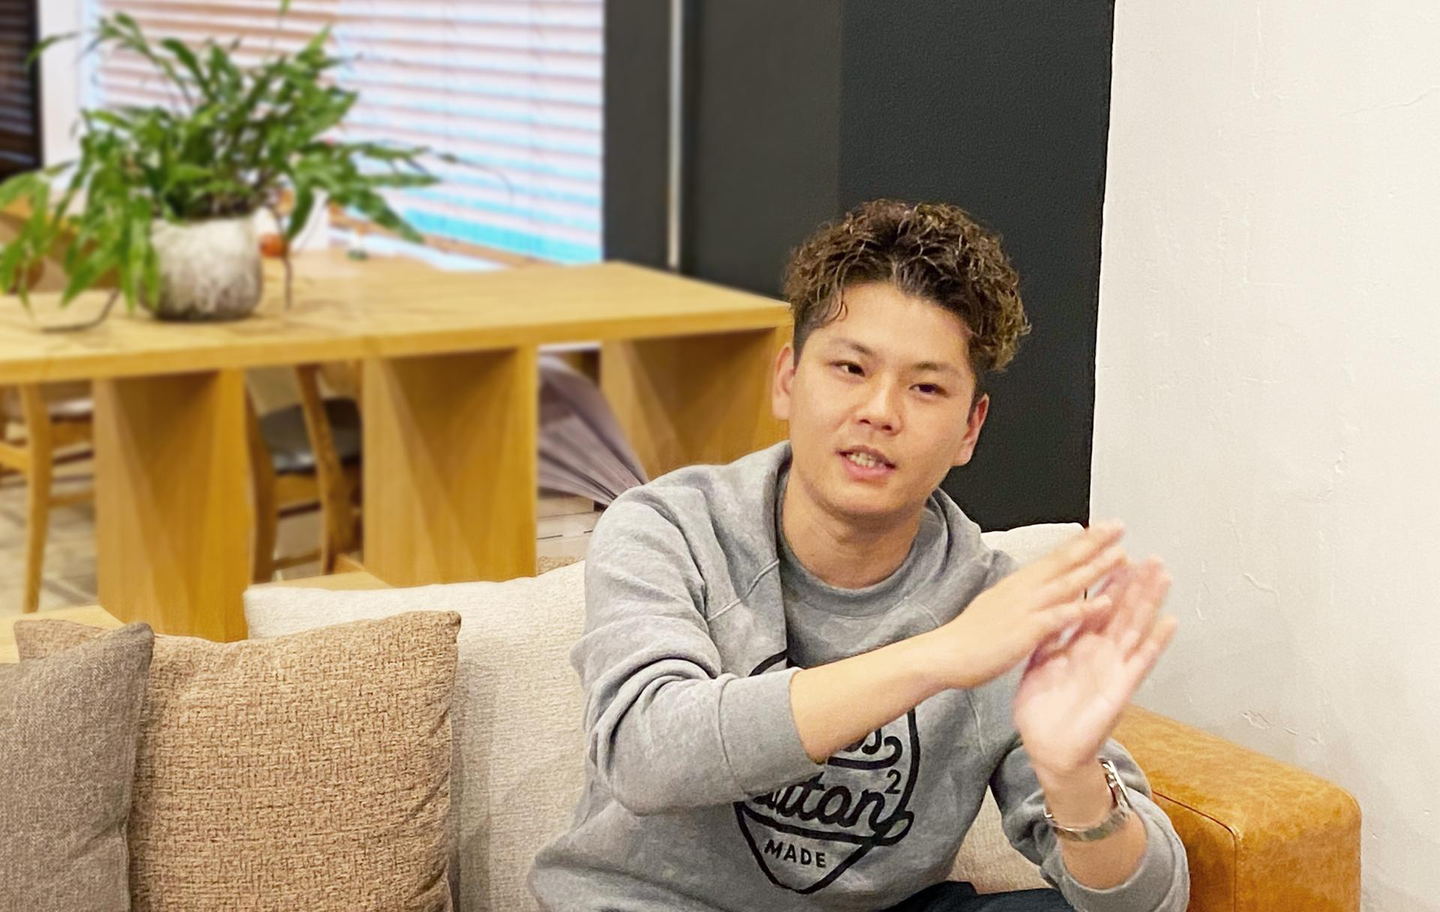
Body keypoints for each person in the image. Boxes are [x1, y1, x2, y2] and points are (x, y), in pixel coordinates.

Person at [529, 200, 1189, 912]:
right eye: (850, 367)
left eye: (926, 387)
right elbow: (645, 752)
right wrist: (938, 657)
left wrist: (1071, 777)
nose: (880, 411)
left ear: (970, 428)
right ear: (788, 380)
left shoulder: (998, 608)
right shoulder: (668, 528)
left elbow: (1151, 901)